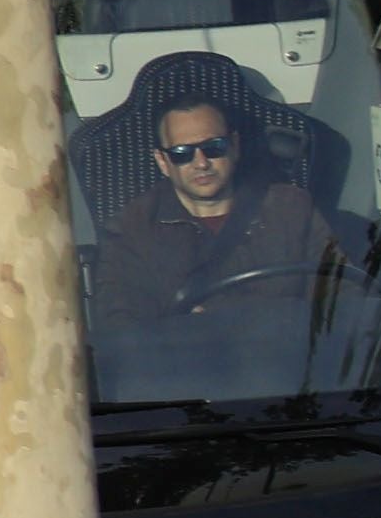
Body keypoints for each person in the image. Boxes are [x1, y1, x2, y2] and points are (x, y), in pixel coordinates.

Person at [82, 54, 325, 390]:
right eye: (182, 153)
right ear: (163, 162)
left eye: (213, 147)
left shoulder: (291, 209)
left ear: (235, 146)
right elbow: (122, 335)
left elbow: (341, 302)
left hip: (289, 392)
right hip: (184, 400)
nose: (201, 163)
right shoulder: (131, 230)